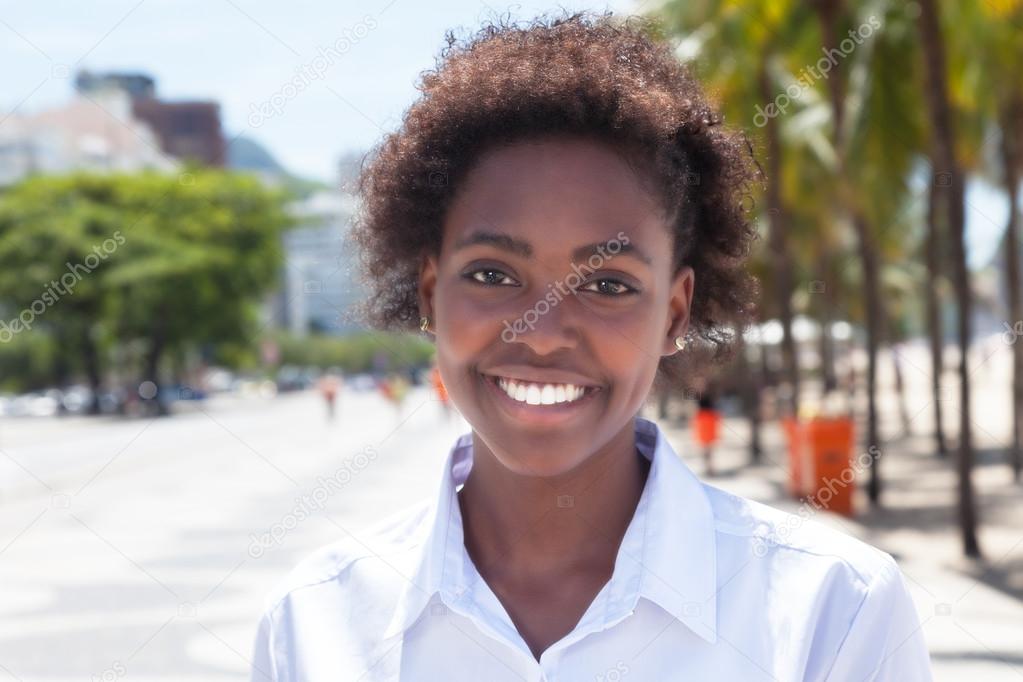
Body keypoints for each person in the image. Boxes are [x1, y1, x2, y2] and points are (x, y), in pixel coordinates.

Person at [249, 12, 932, 681]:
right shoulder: (314, 623)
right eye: (491, 274)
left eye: (606, 284)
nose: (542, 330)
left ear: (673, 312)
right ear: (431, 294)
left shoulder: (834, 611)